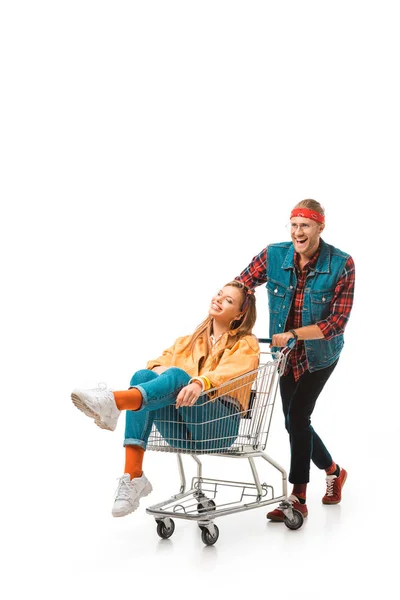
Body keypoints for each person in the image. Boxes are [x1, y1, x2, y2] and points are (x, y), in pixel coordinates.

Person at [71, 281, 259, 517]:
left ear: (240, 313)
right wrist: (170, 380)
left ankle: (114, 402)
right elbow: (156, 364)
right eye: (219, 294)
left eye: (228, 300)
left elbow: (233, 372)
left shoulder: (246, 344)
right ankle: (133, 476)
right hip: (183, 428)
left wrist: (199, 382)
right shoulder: (188, 342)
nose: (219, 299)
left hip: (219, 425)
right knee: (143, 376)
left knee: (179, 376)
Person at [235, 199, 355, 521]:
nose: (297, 232)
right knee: (294, 422)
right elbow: (242, 284)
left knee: (298, 417)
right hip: (285, 356)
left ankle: (298, 496)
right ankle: (333, 471)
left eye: (305, 225)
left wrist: (295, 334)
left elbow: (335, 323)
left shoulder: (342, 264)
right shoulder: (274, 255)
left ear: (320, 227)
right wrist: (232, 313)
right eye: (294, 225)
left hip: (319, 355)